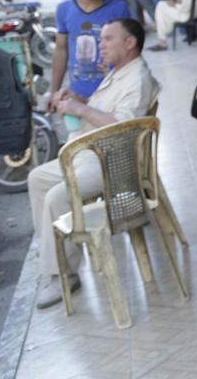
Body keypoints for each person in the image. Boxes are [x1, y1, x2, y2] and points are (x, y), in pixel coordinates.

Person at [31, 17, 160, 308]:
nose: (100, 45)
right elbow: (103, 109)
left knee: (57, 197)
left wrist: (78, 108)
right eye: (101, 39)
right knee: (37, 179)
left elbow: (122, 125)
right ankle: (52, 256)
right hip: (90, 153)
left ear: (130, 43)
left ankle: (61, 274)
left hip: (111, 163)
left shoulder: (137, 78)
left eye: (108, 39)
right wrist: (77, 99)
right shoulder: (120, 72)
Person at [52, 0, 131, 99]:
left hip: (114, 94)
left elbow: (130, 52)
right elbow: (61, 50)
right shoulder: (63, 9)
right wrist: (54, 91)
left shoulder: (119, 8)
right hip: (77, 95)